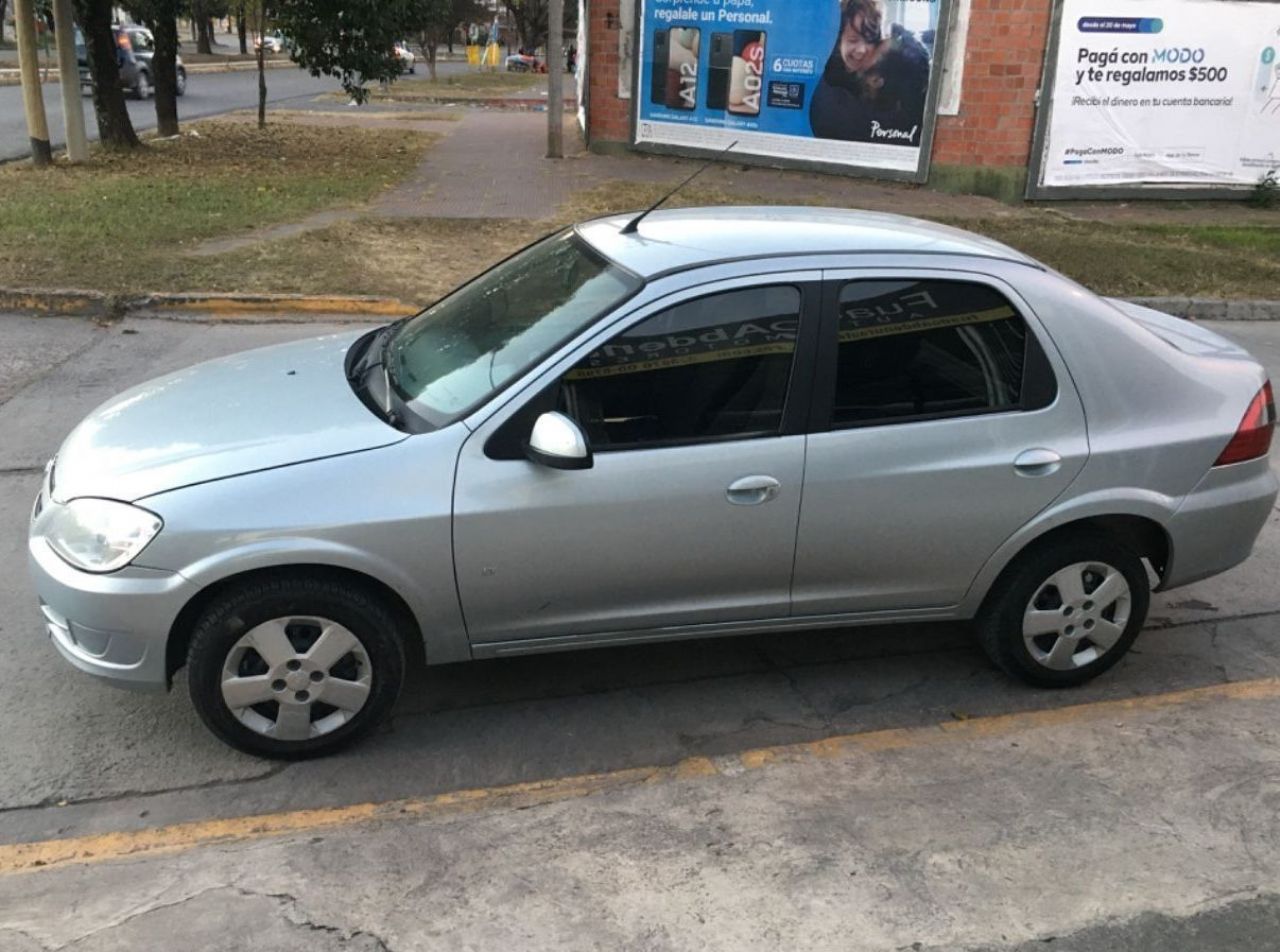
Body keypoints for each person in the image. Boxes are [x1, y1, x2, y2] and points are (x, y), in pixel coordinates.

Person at [809, 0, 931, 145]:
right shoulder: (831, 88)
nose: (862, 49)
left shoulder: (897, 65)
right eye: (853, 40)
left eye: (871, 40)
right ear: (838, 40)